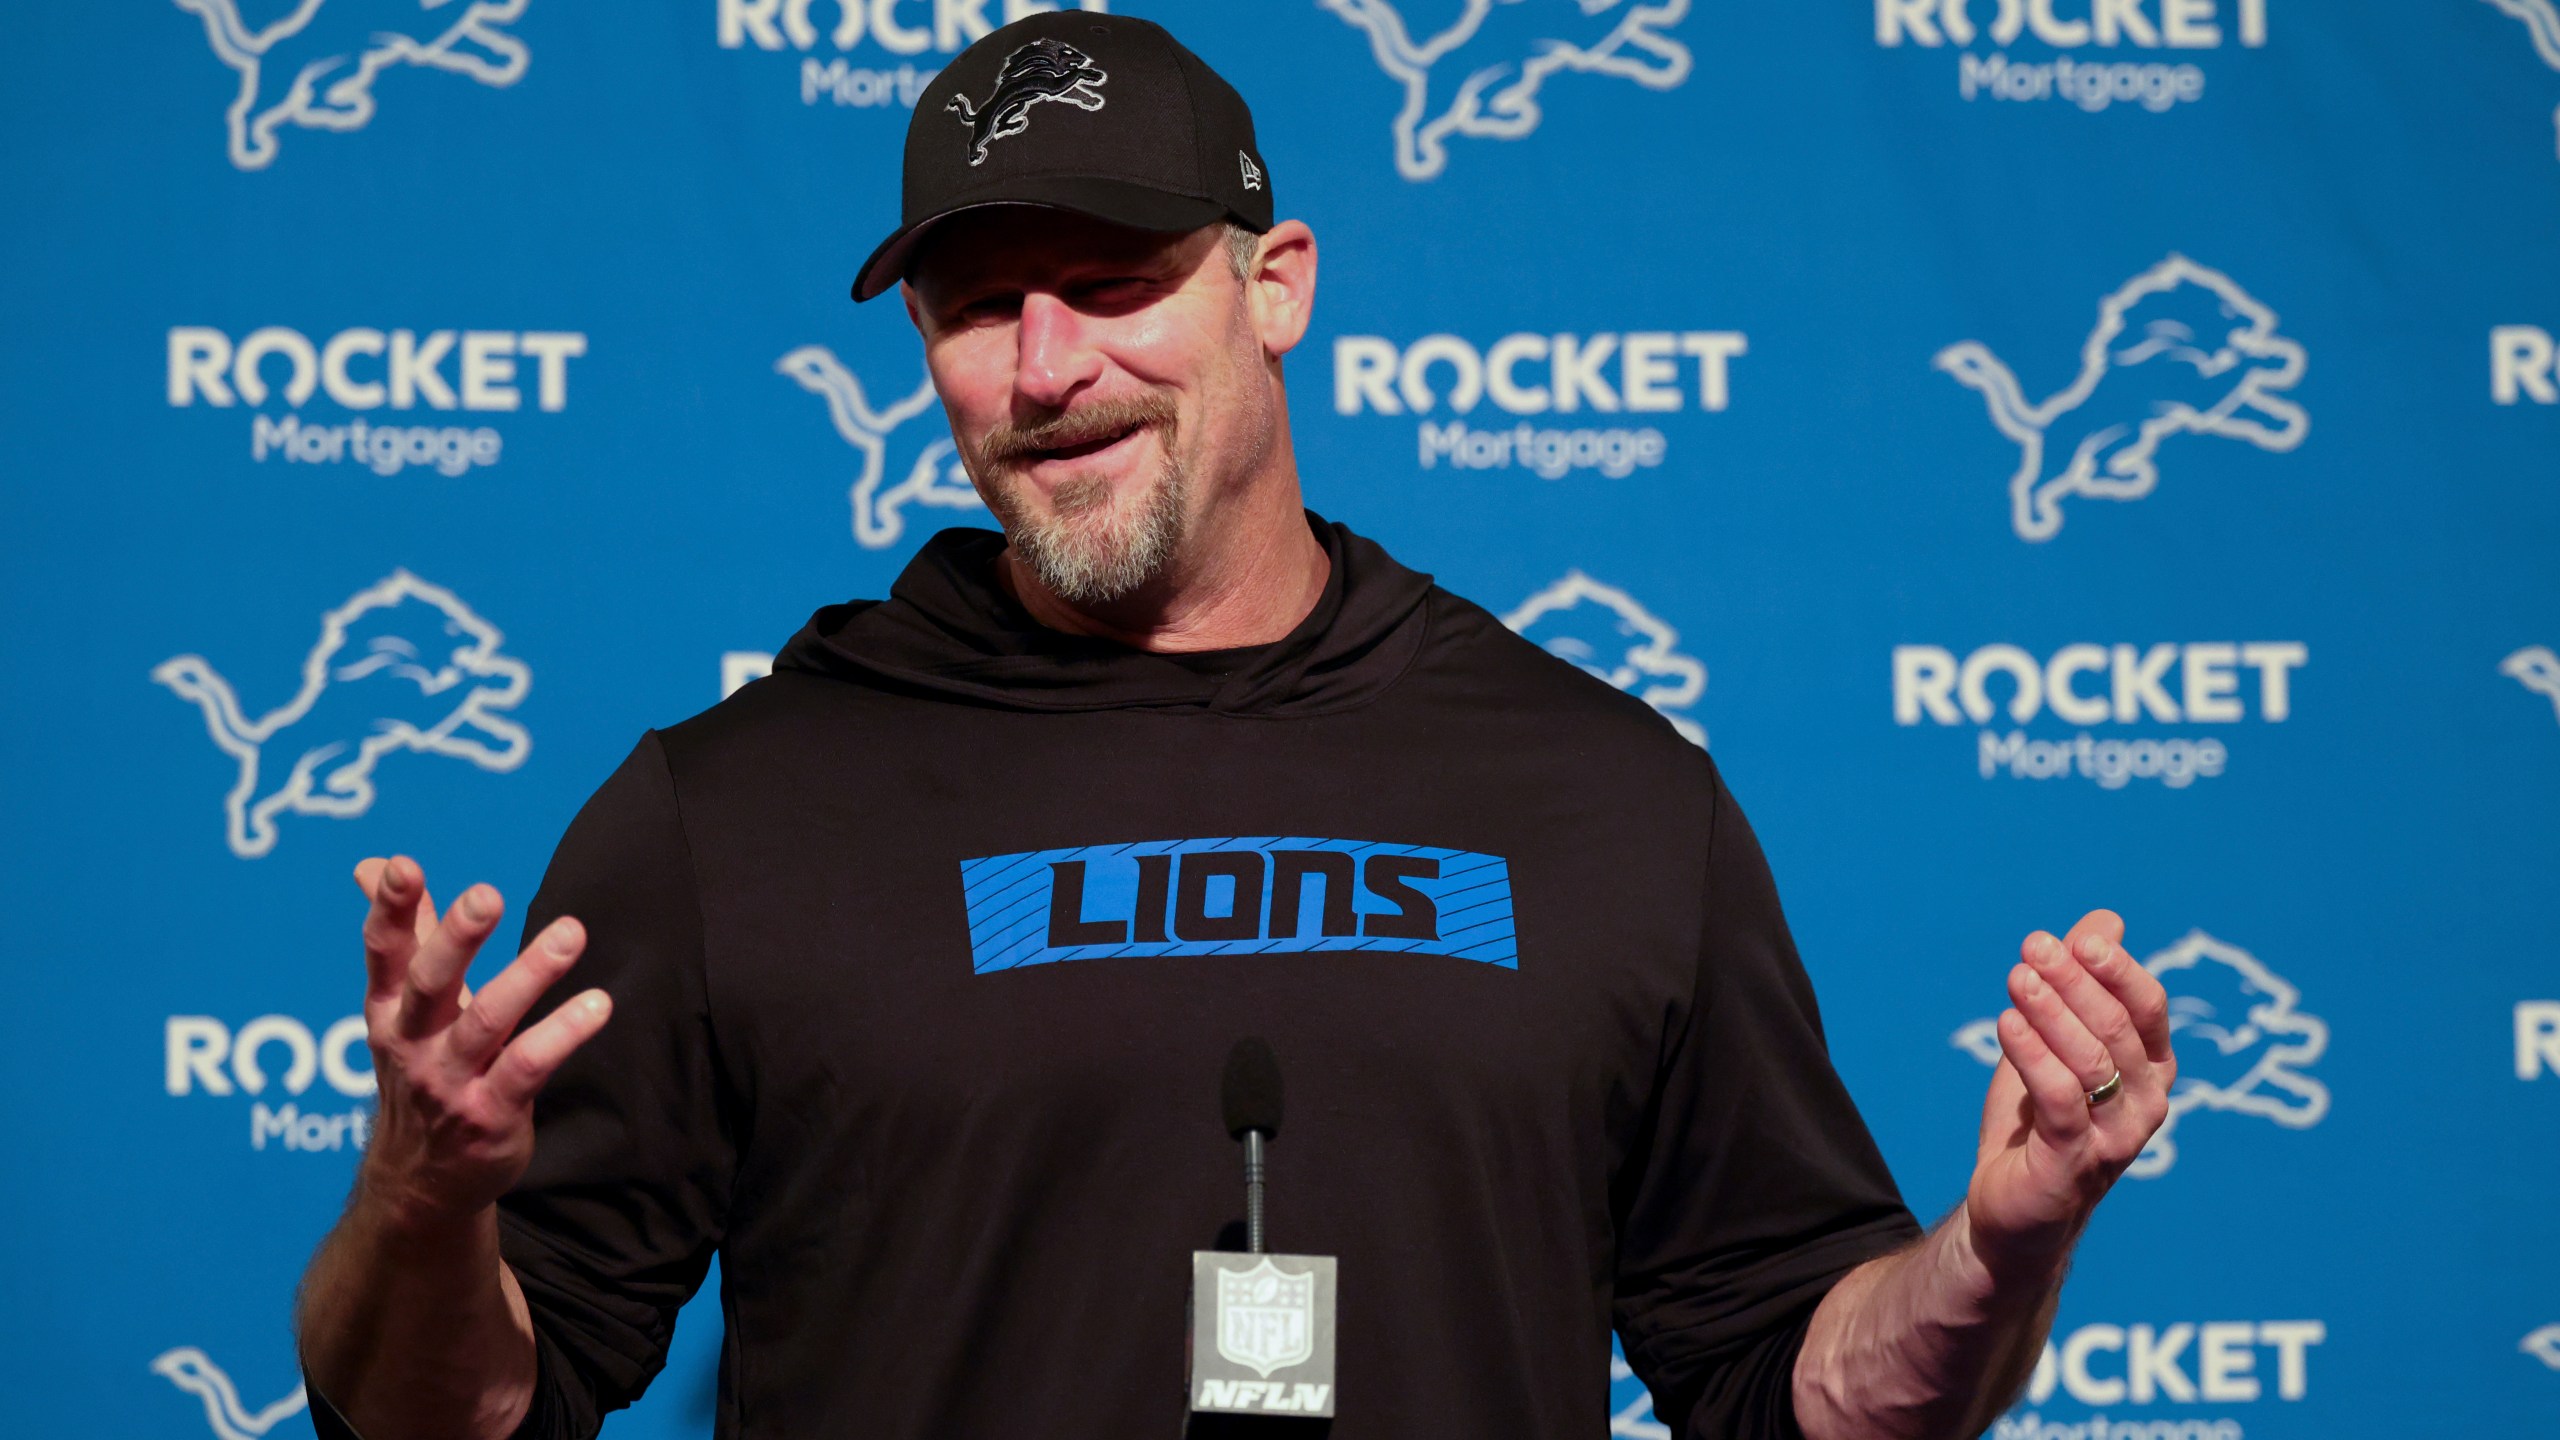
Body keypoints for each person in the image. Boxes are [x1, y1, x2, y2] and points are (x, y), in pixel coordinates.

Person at [292, 13, 2175, 1439]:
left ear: (1274, 289)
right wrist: (420, 1205)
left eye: (1110, 287)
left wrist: (1998, 1255)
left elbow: (1793, 1382)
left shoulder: (1603, 795)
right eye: (977, 308)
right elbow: (446, 1410)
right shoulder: (732, 812)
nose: (1044, 369)